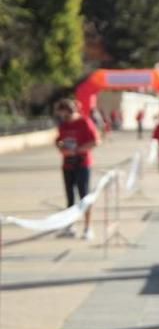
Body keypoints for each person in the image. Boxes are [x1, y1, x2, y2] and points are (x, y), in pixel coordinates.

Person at [53, 98, 100, 240]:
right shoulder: (63, 125)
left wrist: (78, 150)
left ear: (69, 111)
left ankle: (88, 228)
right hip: (67, 164)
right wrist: (61, 148)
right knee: (69, 198)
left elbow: (96, 141)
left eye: (63, 113)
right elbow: (58, 140)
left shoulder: (84, 122)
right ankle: (70, 226)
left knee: (84, 196)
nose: (61, 116)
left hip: (82, 164)